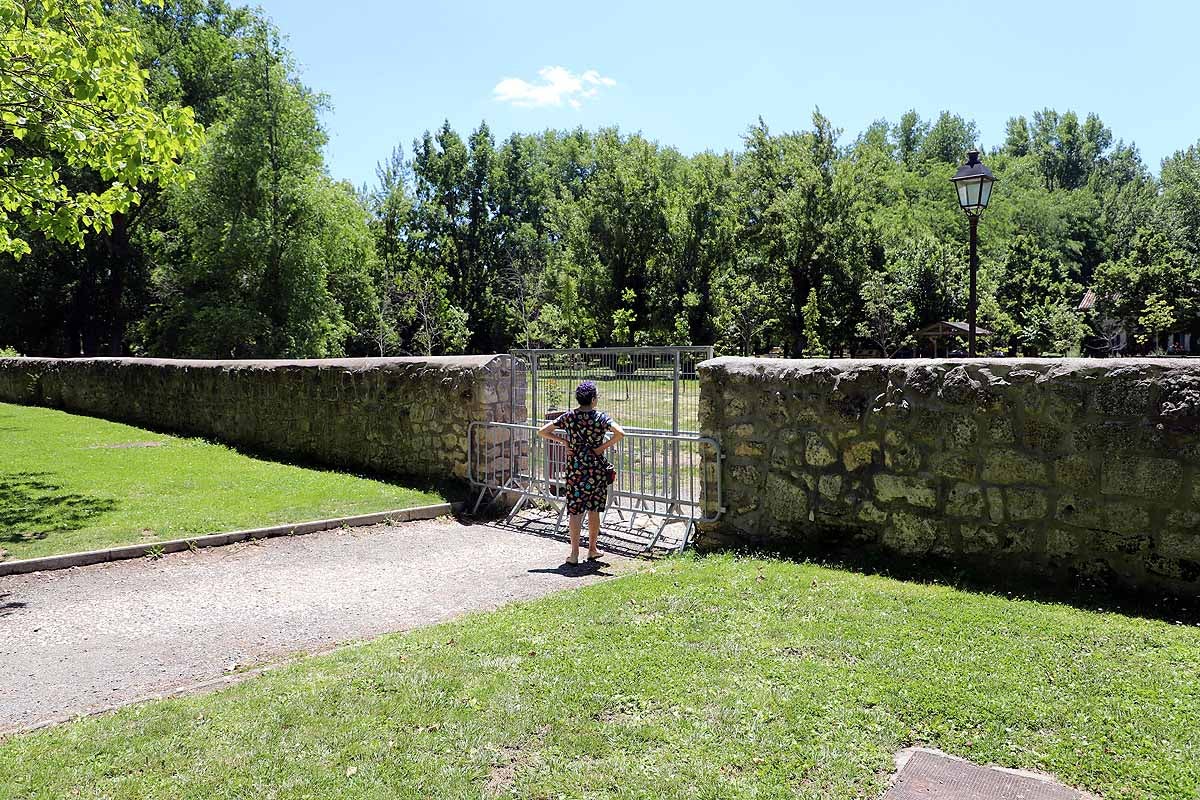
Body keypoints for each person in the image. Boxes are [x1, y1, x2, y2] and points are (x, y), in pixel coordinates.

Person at [537, 381, 624, 564]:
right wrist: (601, 447)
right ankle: (592, 549)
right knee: (594, 510)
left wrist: (564, 442)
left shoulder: (569, 417)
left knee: (575, 511)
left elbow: (543, 431)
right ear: (593, 399)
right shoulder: (601, 418)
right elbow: (620, 433)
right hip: (595, 471)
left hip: (575, 469)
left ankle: (574, 553)